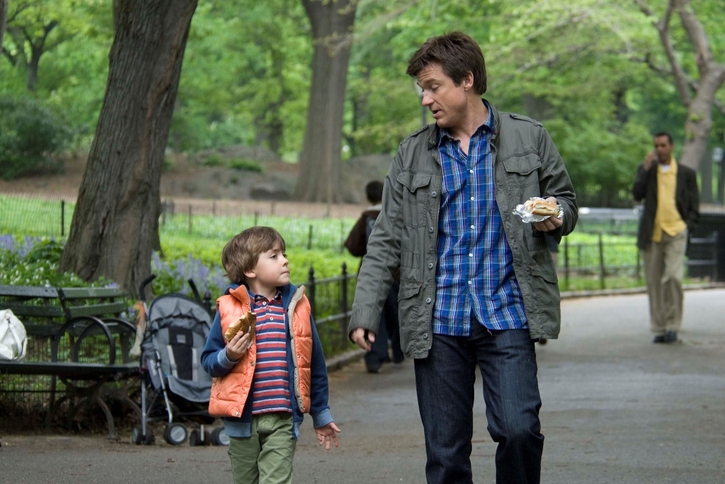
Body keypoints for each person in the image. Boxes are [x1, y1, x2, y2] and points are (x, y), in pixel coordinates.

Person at [347, 31, 577, 484]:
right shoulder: (412, 152)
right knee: (446, 453)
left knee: (519, 430)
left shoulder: (529, 137)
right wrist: (366, 310)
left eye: (433, 87)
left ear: (466, 79)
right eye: (422, 89)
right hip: (437, 320)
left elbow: (565, 201)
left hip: (507, 314)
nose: (425, 99)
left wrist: (556, 216)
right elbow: (387, 237)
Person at [201, 226, 340, 484]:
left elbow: (314, 364)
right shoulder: (228, 308)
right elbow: (208, 361)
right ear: (250, 270)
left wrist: (320, 414)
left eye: (284, 254)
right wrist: (229, 355)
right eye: (274, 256)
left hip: (283, 418)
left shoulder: (297, 307)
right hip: (242, 421)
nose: (285, 260)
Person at [632, 132, 699, 344]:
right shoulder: (648, 171)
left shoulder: (686, 173)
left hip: (676, 231)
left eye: (663, 145)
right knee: (653, 282)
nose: (659, 149)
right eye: (656, 146)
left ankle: (673, 325)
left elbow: (694, 205)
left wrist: (687, 225)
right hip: (652, 233)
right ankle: (659, 328)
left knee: (673, 277)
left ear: (671, 147)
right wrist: (645, 169)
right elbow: (637, 194)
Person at [344, 180, 404, 373]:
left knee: (375, 316)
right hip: (397, 274)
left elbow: (352, 245)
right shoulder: (398, 215)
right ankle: (399, 352)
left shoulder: (366, 218)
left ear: (368, 196)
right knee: (396, 314)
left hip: (371, 274)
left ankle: (375, 357)